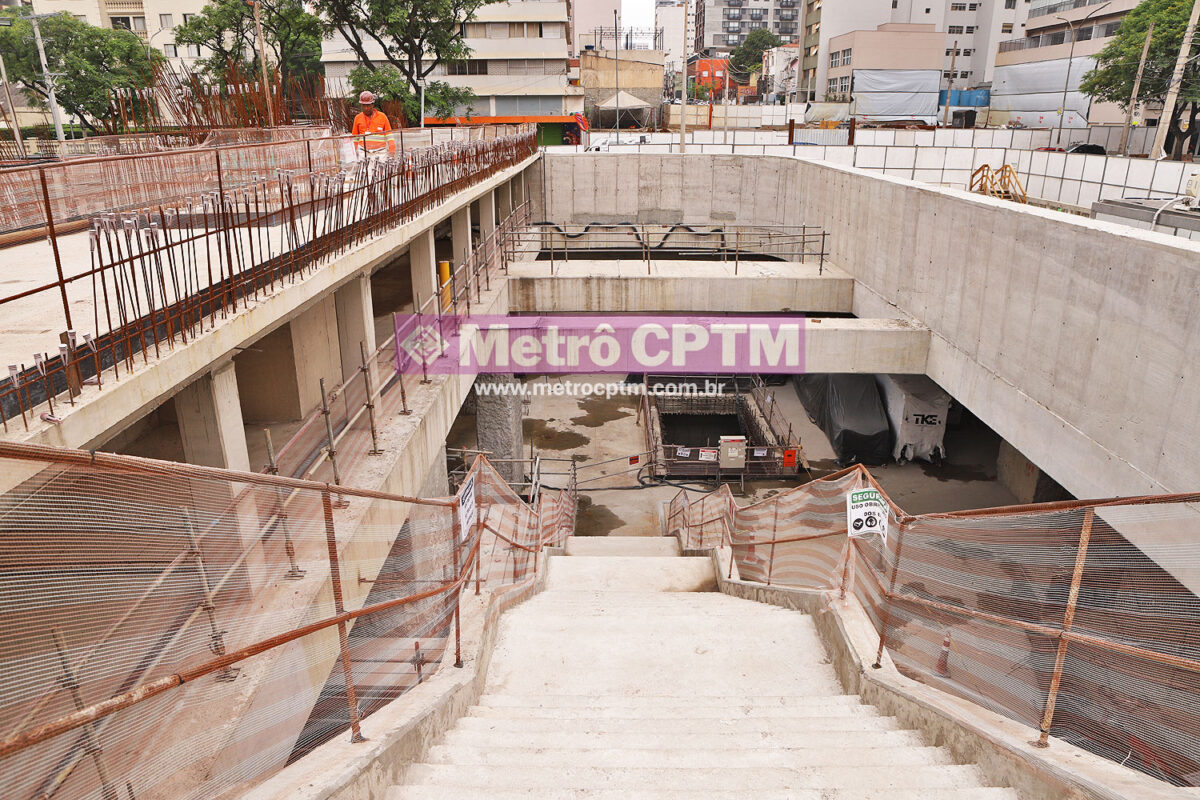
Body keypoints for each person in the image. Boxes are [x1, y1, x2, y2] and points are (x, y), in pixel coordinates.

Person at [352, 91, 394, 156]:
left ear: (372, 104)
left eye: (368, 105)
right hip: (363, 152)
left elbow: (389, 136)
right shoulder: (358, 118)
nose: (366, 108)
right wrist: (353, 154)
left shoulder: (382, 116)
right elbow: (355, 138)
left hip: (380, 152)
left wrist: (392, 152)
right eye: (364, 106)